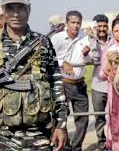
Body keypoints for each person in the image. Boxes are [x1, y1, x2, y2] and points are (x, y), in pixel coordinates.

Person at [0, 0, 68, 150]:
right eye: (10, 8)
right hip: (2, 136)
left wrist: (61, 124)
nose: (16, 13)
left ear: (29, 9)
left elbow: (56, 84)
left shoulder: (43, 42)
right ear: (3, 10)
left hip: (39, 136)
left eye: (21, 7)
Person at [51, 10, 91, 151]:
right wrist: (63, 62)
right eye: (73, 22)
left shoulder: (84, 36)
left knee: (83, 119)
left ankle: (76, 147)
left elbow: (89, 59)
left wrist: (87, 54)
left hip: (79, 83)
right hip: (63, 83)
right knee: (61, 118)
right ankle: (65, 147)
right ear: (67, 23)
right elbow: (50, 57)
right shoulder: (57, 38)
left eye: (78, 23)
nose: (76, 25)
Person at [100, 18, 119, 151]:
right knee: (117, 121)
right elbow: (102, 74)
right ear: (112, 32)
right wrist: (110, 62)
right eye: (116, 31)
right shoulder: (109, 50)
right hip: (116, 92)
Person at [89, 13, 111, 151]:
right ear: (95, 27)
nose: (102, 29)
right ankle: (101, 143)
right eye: (99, 26)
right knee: (99, 117)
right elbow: (94, 58)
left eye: (104, 26)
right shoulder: (90, 40)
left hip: (112, 85)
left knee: (113, 115)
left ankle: (112, 141)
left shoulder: (113, 40)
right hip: (98, 86)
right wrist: (92, 40)